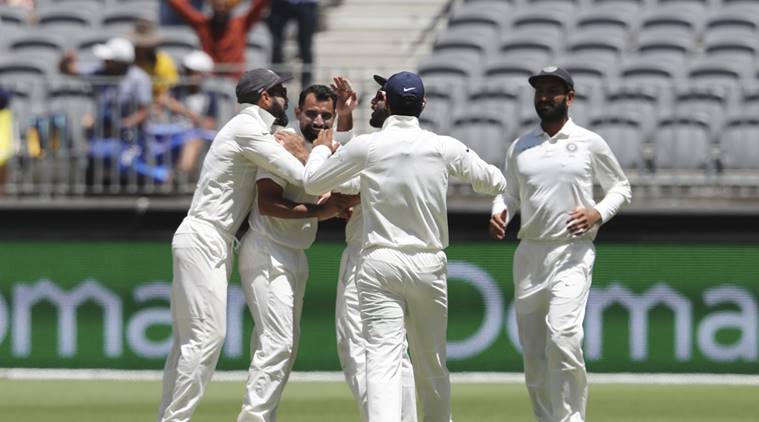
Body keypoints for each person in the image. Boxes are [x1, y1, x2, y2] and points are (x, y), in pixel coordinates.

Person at [302, 71, 507, 422]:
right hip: (428, 262)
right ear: (422, 105)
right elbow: (495, 180)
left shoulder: (368, 147)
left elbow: (311, 182)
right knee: (432, 360)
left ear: (389, 102)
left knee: (381, 361)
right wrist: (498, 201)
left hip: (379, 261)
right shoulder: (443, 146)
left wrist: (321, 148)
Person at [156, 68, 309, 422]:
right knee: (207, 337)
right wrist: (311, 151)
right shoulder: (247, 129)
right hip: (205, 236)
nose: (286, 97)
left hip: (211, 238)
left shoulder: (252, 129)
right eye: (281, 91)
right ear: (265, 97)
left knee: (187, 343)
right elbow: (302, 176)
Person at [489, 66, 631, 422]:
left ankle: (571, 418)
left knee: (565, 336)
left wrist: (597, 213)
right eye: (540, 90)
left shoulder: (589, 142)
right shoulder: (520, 146)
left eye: (553, 90)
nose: (544, 97)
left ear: (569, 98)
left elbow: (621, 188)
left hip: (572, 252)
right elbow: (509, 193)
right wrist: (500, 210)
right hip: (529, 255)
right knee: (534, 356)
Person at [235, 82, 353, 422]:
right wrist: (324, 210)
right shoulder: (281, 143)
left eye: (326, 115)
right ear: (298, 112)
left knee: (280, 347)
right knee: (277, 344)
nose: (318, 120)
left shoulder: (323, 148)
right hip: (267, 249)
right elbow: (268, 204)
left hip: (295, 254)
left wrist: (345, 116)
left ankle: (263, 417)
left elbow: (344, 172)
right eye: (311, 113)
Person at [332, 74, 417, 422]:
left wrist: (331, 138)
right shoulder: (420, 146)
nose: (375, 99)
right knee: (397, 356)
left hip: (368, 256)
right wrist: (345, 117)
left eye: (382, 95)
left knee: (359, 350)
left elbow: (336, 180)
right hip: (406, 258)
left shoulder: (376, 147)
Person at [167, 0, 271, 78]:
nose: (220, 10)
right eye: (217, 7)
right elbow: (182, 8)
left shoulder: (240, 24)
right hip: (210, 81)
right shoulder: (203, 25)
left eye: (224, 7)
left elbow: (258, 6)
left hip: (235, 82)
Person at [267, 0, 318, 87]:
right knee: (274, 41)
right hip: (282, 4)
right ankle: (277, 74)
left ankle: (306, 81)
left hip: (307, 3)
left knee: (306, 44)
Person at [128, 17, 180, 96]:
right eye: (138, 45)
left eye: (143, 46)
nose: (139, 49)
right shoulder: (128, 63)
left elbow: (168, 92)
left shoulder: (164, 61)